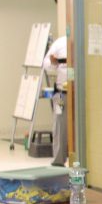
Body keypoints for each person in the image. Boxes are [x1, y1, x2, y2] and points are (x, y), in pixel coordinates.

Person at [42, 35, 69, 167]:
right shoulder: (60, 42)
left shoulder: (83, 41)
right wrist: (54, 63)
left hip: (79, 94)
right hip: (60, 93)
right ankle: (58, 160)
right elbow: (46, 63)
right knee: (59, 124)